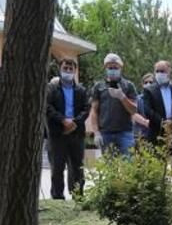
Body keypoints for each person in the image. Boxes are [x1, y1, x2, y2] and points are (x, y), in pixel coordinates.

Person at [45, 57, 89, 199]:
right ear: (60, 69)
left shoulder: (81, 90)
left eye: (71, 69)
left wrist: (74, 122)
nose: (68, 71)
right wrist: (63, 120)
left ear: (75, 71)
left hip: (76, 133)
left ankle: (77, 195)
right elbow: (48, 107)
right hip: (58, 133)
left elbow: (86, 108)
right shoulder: (51, 89)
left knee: (77, 168)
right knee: (57, 168)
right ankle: (57, 196)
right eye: (65, 68)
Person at [89, 53, 138, 156]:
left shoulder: (128, 86)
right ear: (105, 68)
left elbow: (133, 110)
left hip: (125, 133)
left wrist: (122, 97)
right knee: (109, 168)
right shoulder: (98, 86)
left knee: (128, 166)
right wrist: (96, 132)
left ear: (120, 67)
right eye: (110, 67)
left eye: (115, 67)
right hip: (105, 132)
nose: (113, 70)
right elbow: (94, 111)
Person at [141, 61, 172, 144]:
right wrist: (163, 123)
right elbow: (148, 111)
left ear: (169, 72)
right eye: (157, 71)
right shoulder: (149, 90)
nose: (160, 74)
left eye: (162, 71)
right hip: (156, 132)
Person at [133, 73, 153, 141]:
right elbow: (133, 113)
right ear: (142, 84)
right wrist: (145, 122)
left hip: (154, 134)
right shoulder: (137, 99)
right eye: (146, 82)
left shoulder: (158, 99)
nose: (148, 84)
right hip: (140, 135)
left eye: (151, 82)